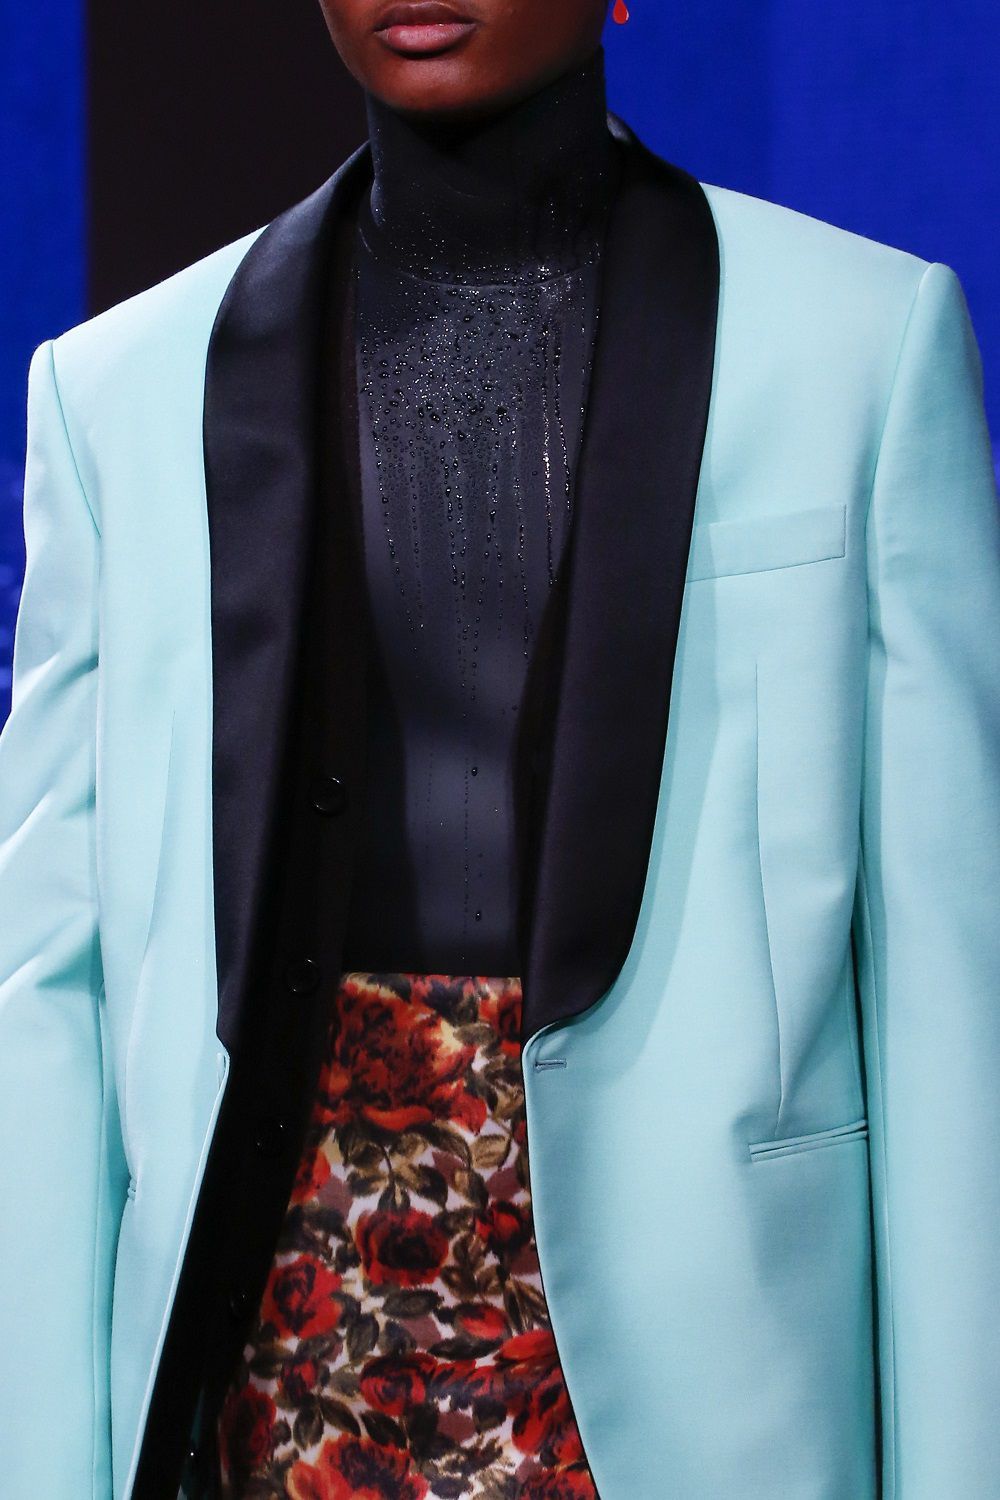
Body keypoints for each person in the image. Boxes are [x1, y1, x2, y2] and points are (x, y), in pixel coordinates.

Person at [1, 1, 998, 1497]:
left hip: (704, 1385)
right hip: (279, 1349)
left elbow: (947, 1005)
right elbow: (49, 1006)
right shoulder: (114, 395)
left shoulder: (858, 349)